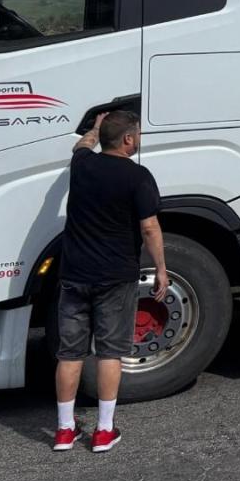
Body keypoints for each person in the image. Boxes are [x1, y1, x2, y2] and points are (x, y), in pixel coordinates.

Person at [52, 110, 166, 453]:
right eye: (138, 134)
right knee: (109, 353)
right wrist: (161, 267)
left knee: (69, 355)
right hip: (116, 277)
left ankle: (63, 430)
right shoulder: (138, 176)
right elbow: (149, 227)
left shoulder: (83, 164)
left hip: (74, 274)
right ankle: (103, 431)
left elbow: (82, 145)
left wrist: (96, 127)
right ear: (129, 140)